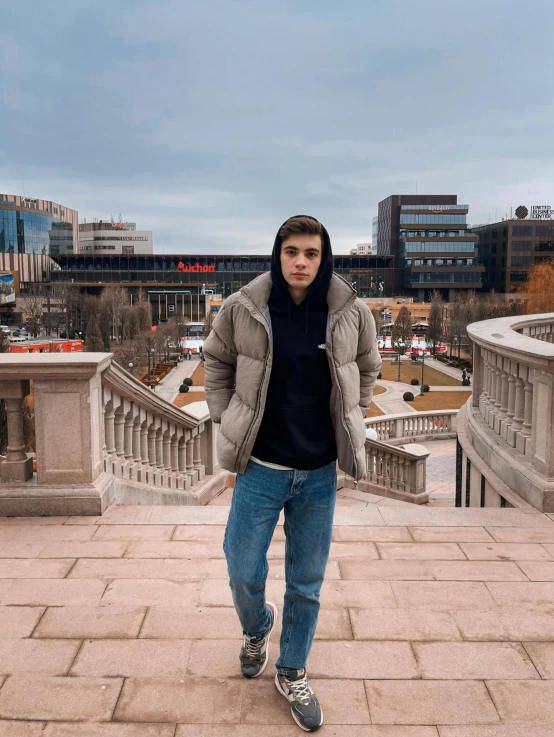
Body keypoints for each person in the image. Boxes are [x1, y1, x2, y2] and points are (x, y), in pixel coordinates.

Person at [203, 215, 381, 732]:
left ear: (324, 259)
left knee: (306, 581)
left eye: (311, 253)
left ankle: (292, 668)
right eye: (292, 252)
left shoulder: (349, 312)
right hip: (260, 467)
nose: (301, 262)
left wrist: (353, 412)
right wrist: (226, 417)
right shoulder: (245, 308)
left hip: (319, 472)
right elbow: (216, 361)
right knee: (240, 565)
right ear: (277, 256)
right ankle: (258, 626)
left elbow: (367, 368)